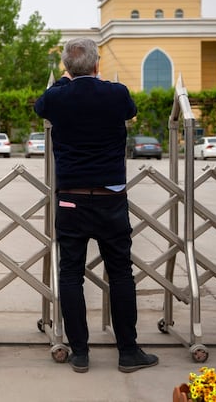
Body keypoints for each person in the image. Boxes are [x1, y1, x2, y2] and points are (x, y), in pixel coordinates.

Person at [34, 37, 158, 373]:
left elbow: (40, 106)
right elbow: (130, 111)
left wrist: (65, 80)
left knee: (71, 274)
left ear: (66, 67)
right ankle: (128, 351)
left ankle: (80, 353)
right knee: (120, 273)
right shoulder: (115, 94)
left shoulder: (58, 97)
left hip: (72, 198)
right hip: (111, 199)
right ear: (97, 64)